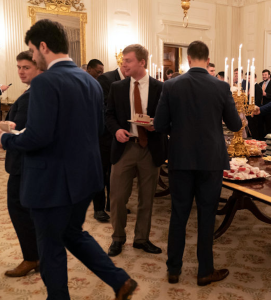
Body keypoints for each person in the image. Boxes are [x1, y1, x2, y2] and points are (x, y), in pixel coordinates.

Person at [0, 19, 136, 300]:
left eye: (32, 51)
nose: (33, 57)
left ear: (43, 46)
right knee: (72, 233)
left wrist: (5, 139)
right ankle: (119, 280)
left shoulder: (45, 81)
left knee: (50, 245)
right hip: (85, 177)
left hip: (51, 181)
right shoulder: (91, 81)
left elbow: (37, 137)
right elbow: (95, 129)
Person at [154, 40, 241, 286]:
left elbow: (160, 125)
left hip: (180, 158)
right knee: (206, 215)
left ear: (189, 59)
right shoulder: (221, 87)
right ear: (207, 58)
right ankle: (205, 271)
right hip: (211, 160)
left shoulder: (170, 86)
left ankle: (174, 269)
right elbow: (235, 125)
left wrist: (180, 131)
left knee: (179, 215)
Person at [106, 44, 167, 257]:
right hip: (125, 147)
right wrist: (116, 131)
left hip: (150, 148)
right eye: (123, 61)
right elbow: (109, 114)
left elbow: (169, 119)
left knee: (147, 198)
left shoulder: (160, 88)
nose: (123, 64)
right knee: (118, 197)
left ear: (142, 62)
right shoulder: (118, 87)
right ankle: (118, 238)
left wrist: (156, 124)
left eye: (128, 60)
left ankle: (142, 238)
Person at [1, 51, 41, 278]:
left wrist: (4, 133)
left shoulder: (35, 95)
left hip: (24, 164)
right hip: (26, 163)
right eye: (19, 67)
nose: (21, 71)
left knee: (19, 211)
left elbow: (25, 130)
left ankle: (32, 257)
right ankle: (36, 255)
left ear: (38, 68)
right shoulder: (32, 92)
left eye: (26, 67)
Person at [92, 65, 127, 222]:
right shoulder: (106, 79)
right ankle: (98, 208)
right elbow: (105, 108)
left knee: (115, 173)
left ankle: (111, 204)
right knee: (101, 172)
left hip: (121, 134)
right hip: (104, 134)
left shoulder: (132, 80)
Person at [243, 72, 264, 140]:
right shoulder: (248, 87)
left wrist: (252, 110)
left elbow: (257, 102)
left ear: (255, 78)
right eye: (246, 78)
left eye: (249, 78)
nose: (247, 80)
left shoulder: (257, 88)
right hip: (248, 112)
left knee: (254, 130)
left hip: (254, 113)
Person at [259, 69, 271, 135]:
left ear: (269, 75)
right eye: (263, 75)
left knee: (269, 126)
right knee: (261, 126)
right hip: (261, 108)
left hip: (269, 109)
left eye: (265, 75)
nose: (264, 76)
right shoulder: (260, 84)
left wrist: (266, 94)